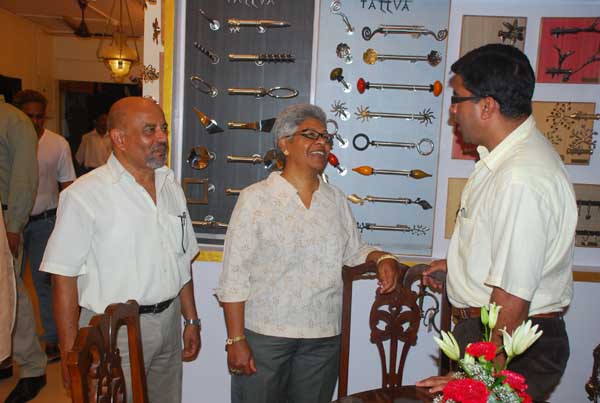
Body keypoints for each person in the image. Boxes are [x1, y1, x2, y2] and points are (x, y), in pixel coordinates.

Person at [416, 44, 577, 401]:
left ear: (487, 106)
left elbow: (512, 297)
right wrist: (460, 269)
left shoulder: (520, 177)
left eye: (457, 100)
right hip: (494, 336)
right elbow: (510, 253)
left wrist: (479, 377)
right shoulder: (506, 161)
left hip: (512, 343)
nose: (452, 111)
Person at [216, 103, 402, 403]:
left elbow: (354, 250)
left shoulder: (335, 200)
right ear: (284, 144)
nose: (322, 143)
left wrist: (381, 258)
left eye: (326, 137)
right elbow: (233, 276)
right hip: (266, 337)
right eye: (310, 135)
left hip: (322, 340)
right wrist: (235, 339)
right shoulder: (255, 199)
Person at [41, 97, 201, 403]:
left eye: (164, 128)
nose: (162, 138)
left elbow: (182, 258)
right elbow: (63, 277)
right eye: (150, 130)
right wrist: (72, 354)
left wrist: (191, 319)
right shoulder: (84, 195)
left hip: (169, 322)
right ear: (119, 138)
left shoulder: (170, 184)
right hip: (114, 333)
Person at [12, 89, 76, 363]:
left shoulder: (57, 144)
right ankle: (9, 345)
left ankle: (52, 338)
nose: (36, 122)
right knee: (9, 285)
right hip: (11, 224)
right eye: (30, 116)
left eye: (40, 116)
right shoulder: (8, 141)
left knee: (46, 283)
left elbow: (68, 185)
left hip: (45, 223)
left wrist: (68, 226)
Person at [0, 96, 46, 403]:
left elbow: (24, 178)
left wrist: (14, 225)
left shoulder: (13, 121)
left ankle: (32, 368)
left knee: (10, 293)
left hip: (5, 219)